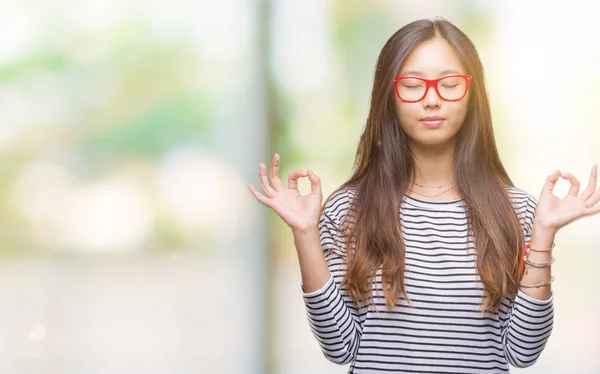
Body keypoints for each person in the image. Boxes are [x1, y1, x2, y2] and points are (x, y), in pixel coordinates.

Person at [247, 17, 600, 373]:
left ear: (472, 93)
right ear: (389, 96)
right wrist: (305, 234)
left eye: (449, 84)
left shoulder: (517, 211)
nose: (432, 100)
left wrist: (543, 235)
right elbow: (340, 348)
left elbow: (522, 353)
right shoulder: (348, 210)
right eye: (413, 85)